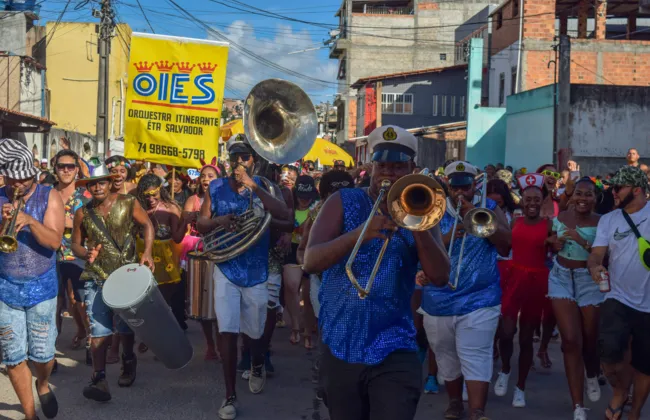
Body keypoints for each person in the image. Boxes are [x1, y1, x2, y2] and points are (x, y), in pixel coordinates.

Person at [304, 125, 450, 420]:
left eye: (398, 167)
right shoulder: (343, 201)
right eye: (382, 165)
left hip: (395, 345)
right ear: (371, 166)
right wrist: (359, 233)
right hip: (341, 341)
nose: (389, 173)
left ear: (412, 170)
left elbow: (441, 276)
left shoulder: (423, 208)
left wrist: (415, 225)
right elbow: (310, 260)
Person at [197, 137, 289, 420]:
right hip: (226, 266)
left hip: (257, 270)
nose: (239, 162)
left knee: (256, 331)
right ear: (228, 159)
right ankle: (229, 395)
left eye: (245, 157)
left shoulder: (265, 187)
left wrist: (253, 187)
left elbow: (285, 216)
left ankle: (258, 361)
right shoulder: (216, 187)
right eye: (235, 156)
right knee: (227, 330)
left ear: (254, 161)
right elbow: (201, 223)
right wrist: (218, 222)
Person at [422, 161, 511, 420]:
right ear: (447, 185)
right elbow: (422, 246)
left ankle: (477, 411)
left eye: (466, 187)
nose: (461, 192)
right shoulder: (433, 209)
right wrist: (453, 234)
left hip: (480, 298)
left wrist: (481, 218)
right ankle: (454, 403)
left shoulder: (490, 207)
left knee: (477, 355)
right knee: (446, 356)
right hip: (438, 299)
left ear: (476, 185)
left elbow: (506, 245)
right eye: (455, 186)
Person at [71, 165, 155, 402]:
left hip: (125, 275)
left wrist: (147, 252)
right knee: (98, 328)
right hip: (96, 275)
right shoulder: (82, 213)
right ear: (88, 187)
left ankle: (128, 361)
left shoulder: (128, 202)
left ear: (110, 183)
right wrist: (84, 253)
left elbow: (147, 224)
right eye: (92, 183)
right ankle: (99, 378)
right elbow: (74, 244)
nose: (97, 187)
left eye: (102, 182)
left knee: (126, 328)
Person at [0, 138, 65, 420]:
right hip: (5, 289)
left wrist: (29, 220)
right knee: (13, 356)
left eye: (23, 179)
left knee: (42, 355)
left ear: (33, 174)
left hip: (42, 288)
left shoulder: (50, 196)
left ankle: (42, 382)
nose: (17, 185)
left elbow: (53, 242)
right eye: (12, 179)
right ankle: (30, 415)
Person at [588, 166, 650, 420]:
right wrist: (594, 266)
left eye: (618, 188)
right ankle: (621, 392)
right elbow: (597, 253)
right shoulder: (609, 219)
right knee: (609, 356)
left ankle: (635, 412)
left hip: (648, 305)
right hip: (617, 297)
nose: (612, 192)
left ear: (636, 190)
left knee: (645, 366)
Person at [494, 174, 552, 409]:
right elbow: (504, 244)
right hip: (514, 277)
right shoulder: (514, 220)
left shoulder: (549, 223)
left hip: (537, 281)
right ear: (521, 200)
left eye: (536, 199)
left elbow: (557, 247)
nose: (531, 203)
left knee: (527, 338)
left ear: (542, 201)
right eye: (527, 199)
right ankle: (506, 370)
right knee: (506, 333)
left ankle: (520, 387)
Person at [547, 178, 602, 420]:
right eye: (578, 193)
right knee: (570, 340)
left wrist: (581, 241)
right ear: (572, 195)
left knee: (590, 339)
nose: (582, 198)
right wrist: (553, 242)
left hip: (588, 280)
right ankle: (578, 405)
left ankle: (592, 373)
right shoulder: (561, 217)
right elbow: (549, 240)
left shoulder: (602, 222)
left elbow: (606, 256)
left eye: (588, 194)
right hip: (560, 276)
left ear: (595, 198)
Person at [53, 150, 92, 354]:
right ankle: (50, 349)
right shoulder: (47, 193)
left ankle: (89, 341)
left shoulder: (86, 197)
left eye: (70, 166)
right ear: (55, 168)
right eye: (61, 166)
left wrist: (68, 223)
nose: (66, 170)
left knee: (83, 302)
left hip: (78, 256)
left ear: (77, 170)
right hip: (50, 256)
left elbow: (94, 226)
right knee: (55, 304)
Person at [183, 160, 221, 360]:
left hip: (220, 252)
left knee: (220, 301)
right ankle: (210, 344)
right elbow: (183, 224)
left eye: (211, 176)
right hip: (198, 254)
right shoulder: (192, 200)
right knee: (204, 301)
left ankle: (223, 341)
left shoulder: (223, 198)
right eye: (203, 176)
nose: (206, 179)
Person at [284, 175, 319, 347]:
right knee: (291, 287)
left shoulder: (318, 207)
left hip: (310, 251)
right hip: (291, 249)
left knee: (307, 294)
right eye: (300, 196)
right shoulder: (288, 207)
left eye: (307, 196)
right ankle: (295, 328)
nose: (304, 200)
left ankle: (307, 331)